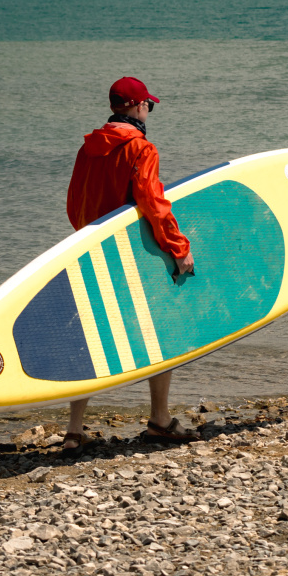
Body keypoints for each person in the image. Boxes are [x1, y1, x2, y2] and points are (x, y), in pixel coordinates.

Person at [62, 76, 198, 449]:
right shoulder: (141, 149)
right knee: (161, 328)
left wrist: (89, 236)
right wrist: (179, 247)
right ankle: (159, 418)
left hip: (88, 249)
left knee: (91, 338)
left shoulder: (86, 149)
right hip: (130, 256)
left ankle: (74, 431)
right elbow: (154, 204)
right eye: (148, 105)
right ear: (138, 107)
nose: (148, 111)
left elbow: (74, 205)